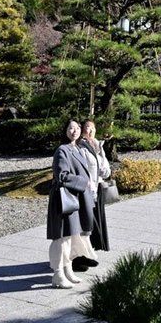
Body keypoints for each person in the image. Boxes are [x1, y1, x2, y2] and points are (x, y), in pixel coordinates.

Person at [46, 119, 97, 288]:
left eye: (77, 128)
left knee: (70, 236)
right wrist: (83, 182)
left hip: (72, 199)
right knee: (61, 238)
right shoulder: (62, 150)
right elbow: (62, 175)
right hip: (63, 200)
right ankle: (58, 274)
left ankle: (67, 270)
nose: (74, 131)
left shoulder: (75, 148)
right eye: (70, 128)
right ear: (65, 130)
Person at [78, 119, 111, 257]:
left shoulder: (98, 145)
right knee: (89, 219)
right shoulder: (80, 147)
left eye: (92, 128)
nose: (90, 131)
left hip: (98, 186)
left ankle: (94, 247)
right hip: (87, 188)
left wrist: (105, 170)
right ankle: (84, 250)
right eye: (87, 128)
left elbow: (105, 167)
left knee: (98, 216)